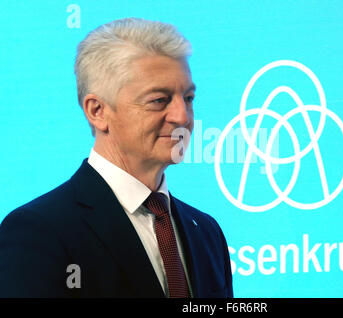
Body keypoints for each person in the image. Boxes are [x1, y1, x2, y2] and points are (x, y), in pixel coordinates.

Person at [0, 17, 233, 298]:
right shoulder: (38, 233)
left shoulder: (206, 232)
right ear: (97, 110)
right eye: (159, 100)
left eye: (188, 98)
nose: (182, 116)